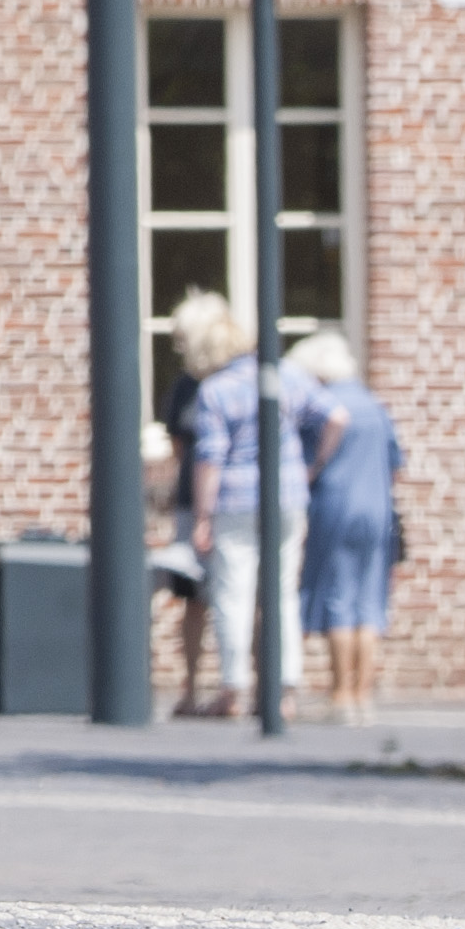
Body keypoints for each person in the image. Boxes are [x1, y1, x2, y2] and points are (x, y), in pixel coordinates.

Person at [170, 289, 290, 717]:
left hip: (225, 502)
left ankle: (248, 689)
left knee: (241, 594)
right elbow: (180, 446)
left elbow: (207, 454)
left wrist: (204, 511)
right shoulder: (190, 383)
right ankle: (199, 687)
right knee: (201, 597)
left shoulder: (222, 385)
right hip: (213, 502)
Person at [291, 324, 403, 723]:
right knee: (369, 600)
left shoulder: (323, 408)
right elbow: (395, 463)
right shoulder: (373, 405)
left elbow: (304, 461)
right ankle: (362, 693)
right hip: (377, 509)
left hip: (335, 506)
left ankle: (339, 695)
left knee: (338, 598)